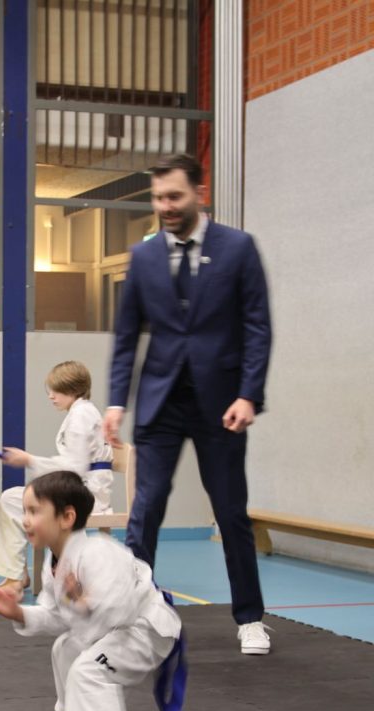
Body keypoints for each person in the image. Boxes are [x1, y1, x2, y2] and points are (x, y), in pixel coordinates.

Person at [104, 153, 273, 655]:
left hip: (222, 405)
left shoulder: (238, 248)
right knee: (146, 508)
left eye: (174, 196)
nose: (166, 206)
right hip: (160, 402)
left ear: (200, 193)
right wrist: (116, 402)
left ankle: (250, 618)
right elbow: (126, 336)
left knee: (231, 511)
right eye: (158, 198)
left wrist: (249, 394)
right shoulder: (143, 257)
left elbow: (257, 326)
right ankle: (130, 615)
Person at [0, 472, 182, 711]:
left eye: (34, 511)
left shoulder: (98, 552)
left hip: (144, 630)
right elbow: (57, 616)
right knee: (65, 647)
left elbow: (117, 609)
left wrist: (82, 601)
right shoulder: (55, 562)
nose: (25, 520)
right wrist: (19, 613)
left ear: (67, 517)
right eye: (24, 511)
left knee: (88, 670)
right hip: (115, 628)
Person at [0, 361, 113, 596]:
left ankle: (16, 577)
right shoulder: (81, 412)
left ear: (73, 389)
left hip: (86, 494)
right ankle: (16, 575)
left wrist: (28, 460)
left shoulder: (81, 415)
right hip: (84, 487)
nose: (51, 396)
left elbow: (75, 467)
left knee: (12, 500)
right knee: (14, 499)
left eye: (56, 390)